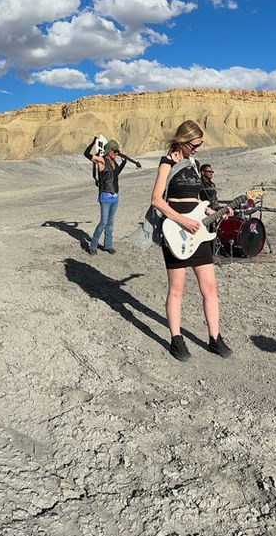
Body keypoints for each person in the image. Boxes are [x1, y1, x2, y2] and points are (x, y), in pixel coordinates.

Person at [151, 120, 232, 361]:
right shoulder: (167, 163)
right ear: (183, 142)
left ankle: (214, 339)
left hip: (197, 234)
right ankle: (176, 340)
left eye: (199, 144)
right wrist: (183, 221)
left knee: (210, 287)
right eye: (194, 144)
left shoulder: (195, 165)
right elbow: (156, 200)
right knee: (176, 289)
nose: (197, 149)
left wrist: (212, 212)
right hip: (175, 231)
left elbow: (197, 201)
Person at [87, 139, 138, 255]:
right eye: (115, 151)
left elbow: (116, 174)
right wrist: (94, 141)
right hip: (105, 195)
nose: (116, 153)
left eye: (117, 151)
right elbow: (86, 154)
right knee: (103, 223)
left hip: (115, 196)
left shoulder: (115, 163)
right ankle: (93, 246)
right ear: (109, 151)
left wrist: (124, 163)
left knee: (110, 223)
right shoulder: (102, 161)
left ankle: (107, 245)